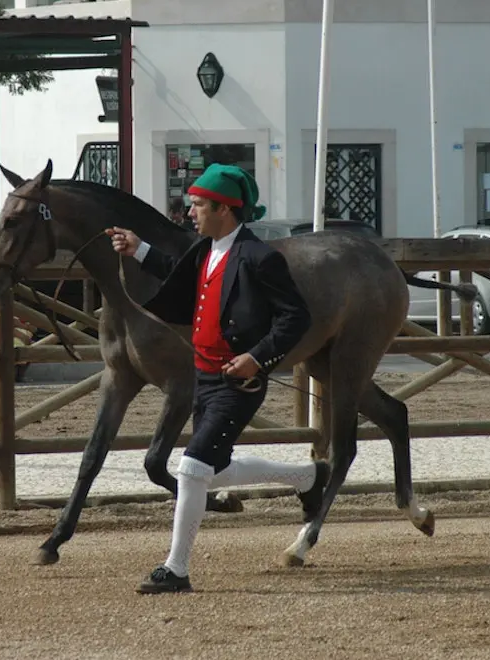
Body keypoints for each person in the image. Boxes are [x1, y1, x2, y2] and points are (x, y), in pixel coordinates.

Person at [106, 163, 331, 594]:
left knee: (191, 468)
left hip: (239, 383)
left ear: (224, 209)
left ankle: (176, 569)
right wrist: (137, 249)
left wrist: (257, 357)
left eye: (197, 205)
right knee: (213, 468)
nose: (190, 212)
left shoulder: (260, 257)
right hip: (204, 378)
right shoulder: (206, 248)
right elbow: (177, 272)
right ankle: (306, 477)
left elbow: (295, 317)